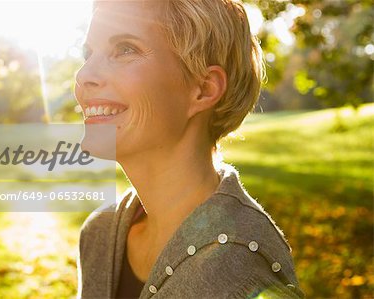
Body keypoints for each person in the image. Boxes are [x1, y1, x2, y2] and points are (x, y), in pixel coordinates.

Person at [74, 0, 304, 298]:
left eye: (125, 49)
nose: (83, 75)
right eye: (88, 54)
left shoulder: (239, 271)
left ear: (204, 89)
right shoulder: (100, 233)